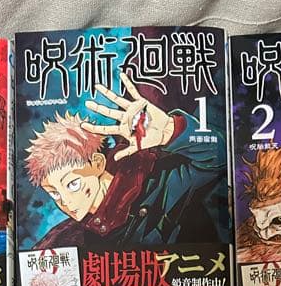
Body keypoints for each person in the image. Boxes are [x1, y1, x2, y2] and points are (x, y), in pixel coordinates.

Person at [25, 67, 224, 249]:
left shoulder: (158, 183)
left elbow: (219, 158)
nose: (65, 202)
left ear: (98, 163)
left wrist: (171, 130)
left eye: (72, 184)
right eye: (55, 194)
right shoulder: (66, 238)